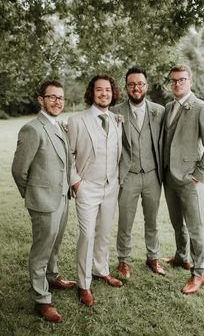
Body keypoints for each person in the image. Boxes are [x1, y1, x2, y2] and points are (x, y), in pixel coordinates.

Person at [12, 80, 80, 322]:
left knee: (55, 244)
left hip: (62, 199)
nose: (57, 101)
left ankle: (52, 277)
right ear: (41, 100)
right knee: (41, 250)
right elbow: (19, 170)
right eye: (52, 97)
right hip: (43, 201)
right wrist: (33, 195)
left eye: (60, 97)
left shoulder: (58, 127)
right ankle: (41, 299)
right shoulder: (32, 129)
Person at [67, 75, 123, 307]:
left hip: (111, 187)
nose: (104, 94)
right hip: (87, 187)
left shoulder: (116, 119)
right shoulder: (77, 120)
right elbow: (68, 154)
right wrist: (76, 182)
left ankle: (101, 270)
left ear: (113, 93)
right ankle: (84, 284)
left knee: (104, 233)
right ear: (92, 93)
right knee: (88, 235)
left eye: (108, 90)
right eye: (99, 90)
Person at [163, 64, 204, 294]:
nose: (177, 83)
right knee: (177, 223)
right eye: (173, 80)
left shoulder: (202, 108)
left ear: (190, 81)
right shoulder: (167, 107)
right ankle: (181, 256)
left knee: (195, 228)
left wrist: (197, 176)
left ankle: (198, 272)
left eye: (182, 79)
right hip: (169, 176)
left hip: (189, 180)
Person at [111, 66, 165, 279]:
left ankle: (153, 257)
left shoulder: (159, 111)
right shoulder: (116, 112)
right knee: (125, 221)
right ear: (126, 87)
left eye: (140, 83)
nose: (136, 87)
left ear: (146, 86)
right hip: (128, 175)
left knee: (152, 220)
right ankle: (123, 261)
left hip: (152, 175)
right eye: (132, 84)